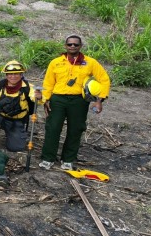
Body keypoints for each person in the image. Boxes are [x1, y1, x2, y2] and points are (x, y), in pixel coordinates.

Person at [39, 35, 110, 171]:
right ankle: (48, 158)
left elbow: (104, 79)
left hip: (79, 101)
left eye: (75, 45)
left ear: (80, 46)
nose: (72, 46)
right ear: (65, 46)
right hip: (58, 99)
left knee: (76, 129)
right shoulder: (55, 62)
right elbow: (48, 82)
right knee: (53, 128)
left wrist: (99, 100)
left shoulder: (90, 63)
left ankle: (68, 159)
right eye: (70, 44)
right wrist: (46, 99)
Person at [0, 60, 42, 152]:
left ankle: (13, 132)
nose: (13, 76)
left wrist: (39, 96)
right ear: (6, 75)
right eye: (10, 74)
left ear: (21, 75)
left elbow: (37, 99)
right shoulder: (1, 85)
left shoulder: (28, 87)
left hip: (16, 121)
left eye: (16, 73)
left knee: (15, 148)